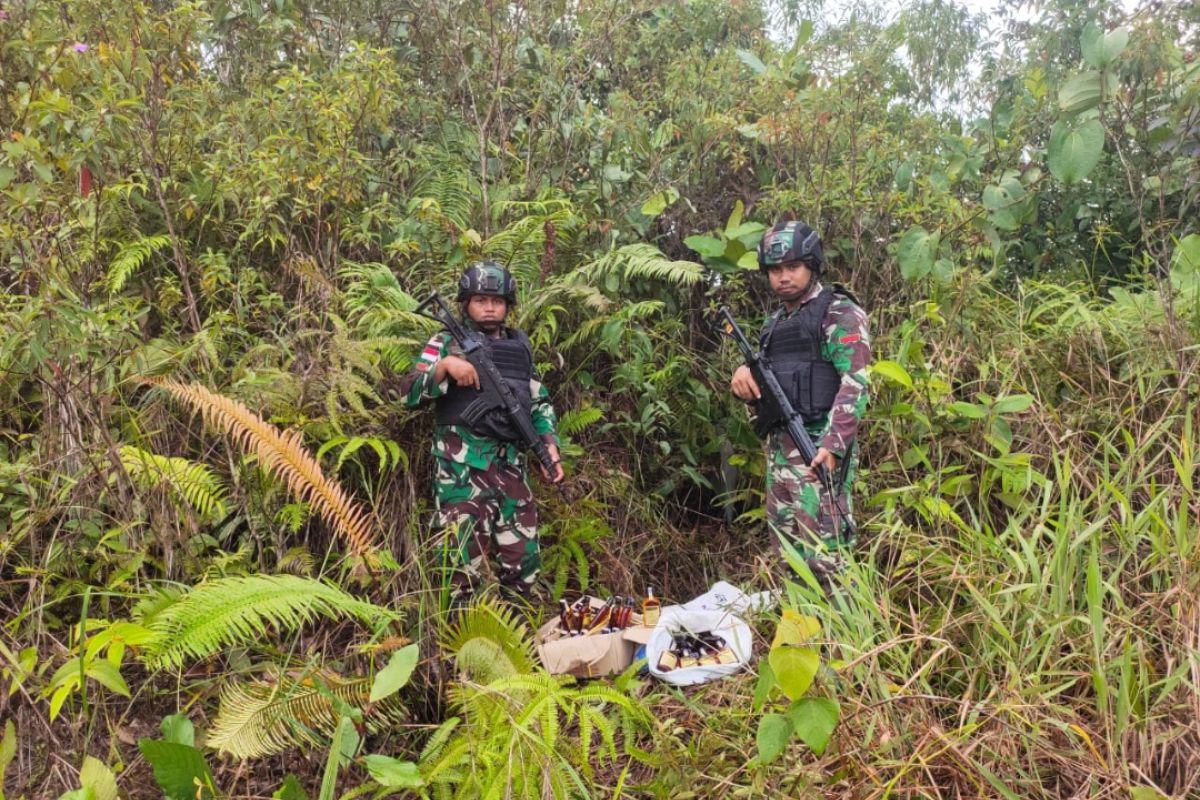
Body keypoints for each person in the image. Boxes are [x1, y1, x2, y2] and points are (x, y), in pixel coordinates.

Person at [398, 261, 564, 604]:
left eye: (497, 301)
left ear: (508, 305)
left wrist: (549, 445)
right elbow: (408, 393)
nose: (489, 307)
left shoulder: (520, 348)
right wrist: (444, 367)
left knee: (524, 564)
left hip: (511, 469)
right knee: (458, 566)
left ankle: (516, 638)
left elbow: (538, 401)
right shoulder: (445, 341)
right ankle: (459, 647)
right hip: (462, 471)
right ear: (466, 303)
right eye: (480, 299)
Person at [729, 220, 872, 589]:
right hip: (781, 453)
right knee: (787, 555)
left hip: (818, 451)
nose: (783, 277)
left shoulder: (838, 312)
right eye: (775, 270)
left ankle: (844, 640)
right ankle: (800, 633)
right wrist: (743, 377)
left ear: (812, 265)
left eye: (793, 267)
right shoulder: (774, 323)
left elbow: (855, 382)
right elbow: (771, 382)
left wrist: (833, 445)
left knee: (826, 555)